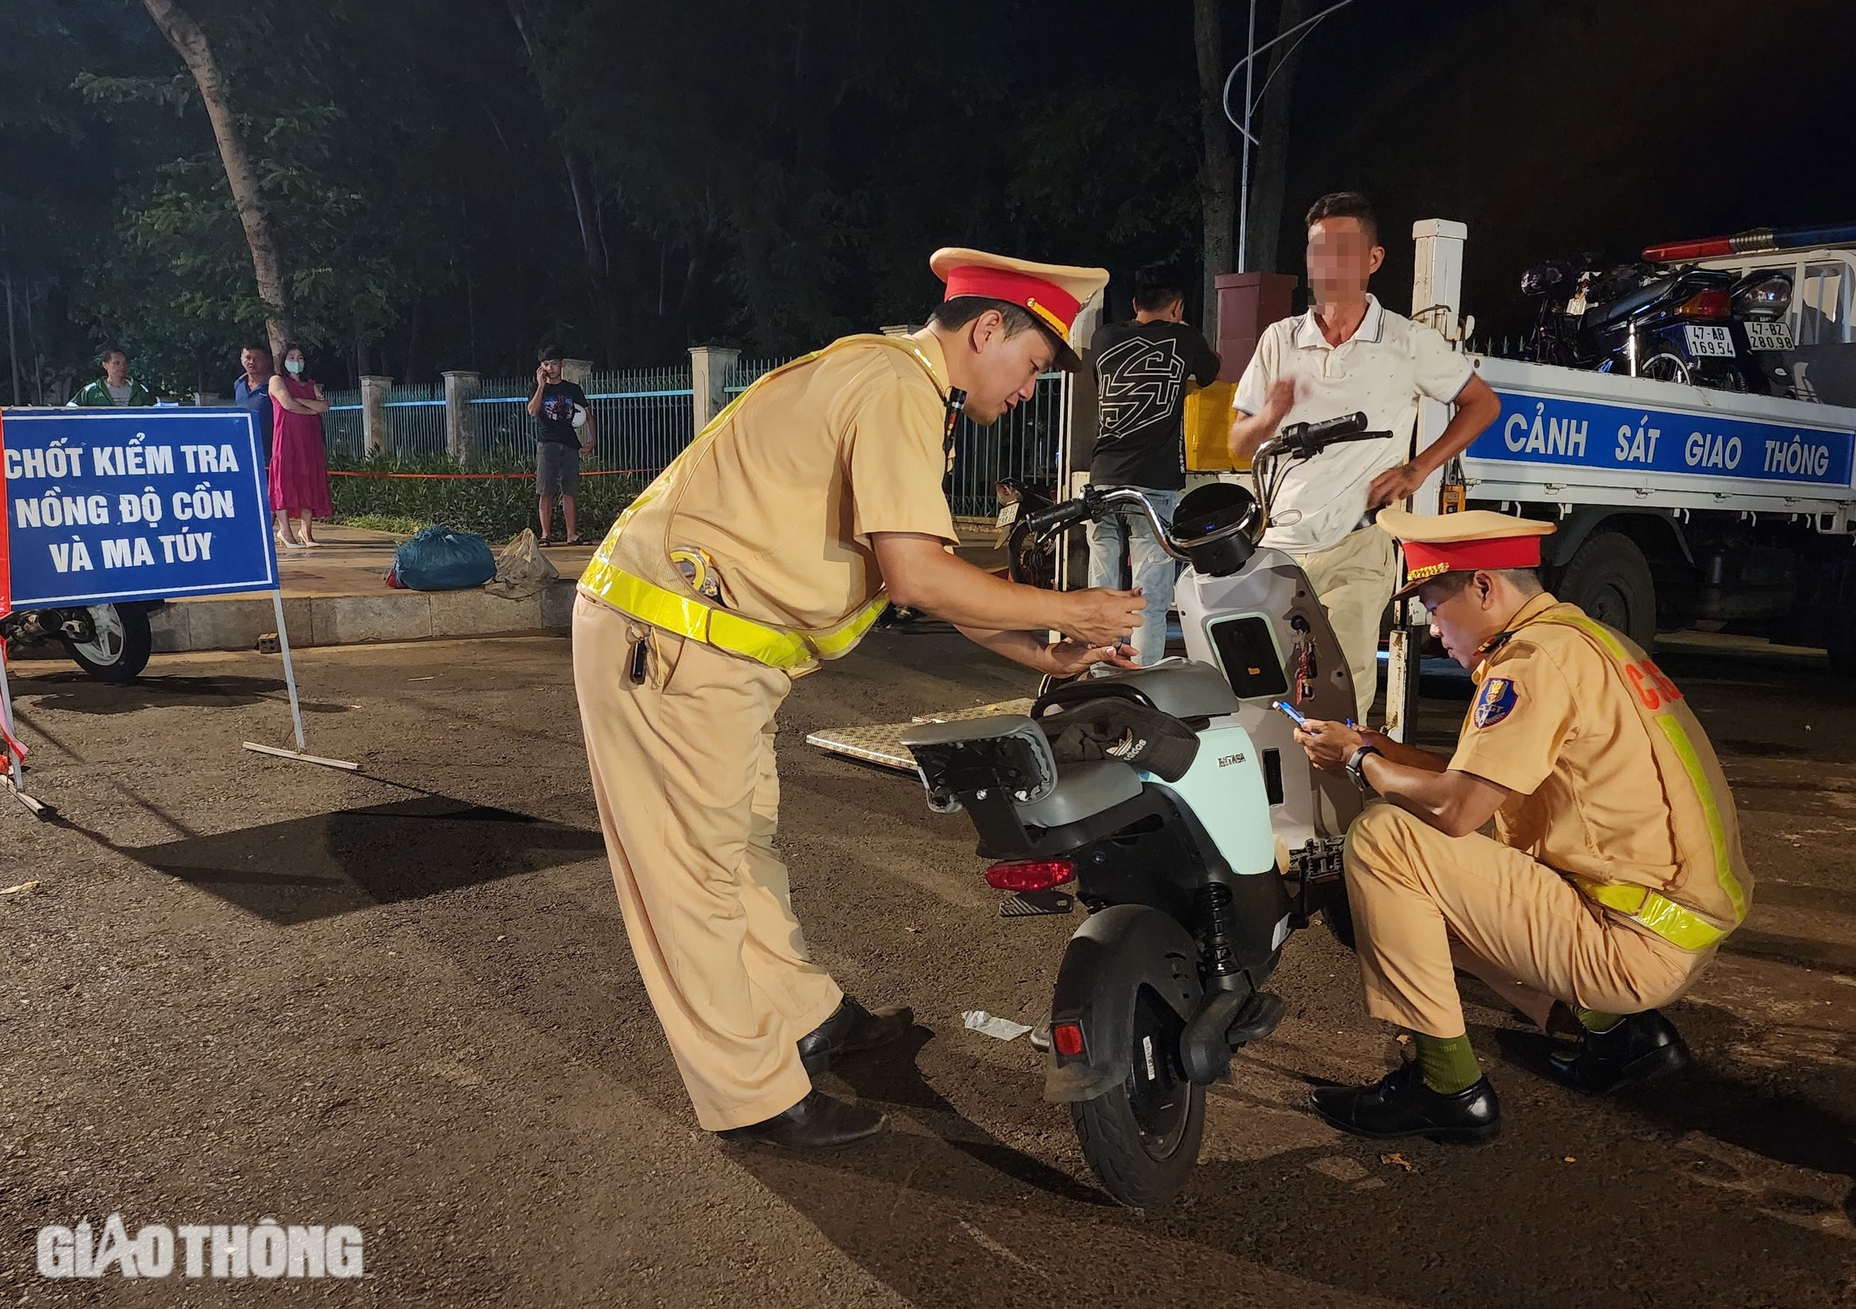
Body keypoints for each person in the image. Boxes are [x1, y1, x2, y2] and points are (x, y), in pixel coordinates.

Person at [572, 248, 1145, 1150]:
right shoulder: (894, 390)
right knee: (692, 879)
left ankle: (805, 1016)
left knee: (736, 848)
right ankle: (751, 1097)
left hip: (712, 647)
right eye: (1034, 366)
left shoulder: (901, 387)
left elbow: (909, 577)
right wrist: (1071, 607)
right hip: (670, 640)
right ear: (988, 329)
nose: (1031, 389)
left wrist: (1038, 642)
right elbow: (920, 577)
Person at [1291, 508, 1752, 1145]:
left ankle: (1446, 1090)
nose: (1431, 628)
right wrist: (1376, 744)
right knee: (1418, 874)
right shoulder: (1585, 642)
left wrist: (1359, 761)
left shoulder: (1530, 665)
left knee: (1383, 845)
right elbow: (1473, 776)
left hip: (1631, 945)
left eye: (1432, 602)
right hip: (1669, 923)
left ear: (1484, 587)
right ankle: (1618, 1034)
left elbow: (1456, 809)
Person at [1229, 192, 1502, 719]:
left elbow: (1482, 403)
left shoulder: (1407, 341)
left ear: (1373, 260)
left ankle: (1341, 795)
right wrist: (1268, 417)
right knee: (1265, 693)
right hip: (1279, 545)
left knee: (1340, 689)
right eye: (1317, 250)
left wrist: (1418, 468)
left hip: (1358, 543)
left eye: (1343, 249)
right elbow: (1240, 446)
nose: (1327, 262)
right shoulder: (1279, 339)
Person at [1085, 263, 1221, 665]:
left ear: (1134, 304)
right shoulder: (1185, 338)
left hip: (1103, 478)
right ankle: (1141, 682)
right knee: (1149, 595)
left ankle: (1098, 673)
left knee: (1102, 589)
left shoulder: (1104, 337)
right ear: (1177, 306)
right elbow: (1212, 371)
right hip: (1153, 482)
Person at [267, 344, 334, 549]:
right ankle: (285, 531)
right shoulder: (277, 380)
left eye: (300, 357)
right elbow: (287, 404)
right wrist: (310, 409)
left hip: (309, 439)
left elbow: (324, 406)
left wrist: (302, 401)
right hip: (286, 438)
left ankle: (306, 531)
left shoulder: (311, 385)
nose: (296, 362)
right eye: (292, 357)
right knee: (284, 482)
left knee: (308, 480)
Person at [528, 348, 597, 546]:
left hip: (569, 443)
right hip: (547, 443)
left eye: (554, 364)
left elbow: (588, 414)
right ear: (541, 367)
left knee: (570, 490)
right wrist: (541, 386)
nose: (550, 368)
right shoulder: (535, 387)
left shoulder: (572, 389)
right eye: (546, 364)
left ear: (562, 364)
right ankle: (545, 534)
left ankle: (571, 534)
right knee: (545, 489)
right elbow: (532, 411)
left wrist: (592, 440)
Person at [69, 348, 159, 407]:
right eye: (117, 363)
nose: (122, 367)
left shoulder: (140, 390)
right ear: (105, 365)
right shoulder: (91, 391)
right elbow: (70, 409)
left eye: (124, 363)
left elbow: (155, 411)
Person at [235, 344, 276, 465]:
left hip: (271, 450)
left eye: (256, 358)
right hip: (246, 449)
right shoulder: (238, 384)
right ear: (241, 359)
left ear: (267, 360)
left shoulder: (276, 384)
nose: (251, 362)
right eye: (247, 358)